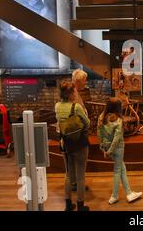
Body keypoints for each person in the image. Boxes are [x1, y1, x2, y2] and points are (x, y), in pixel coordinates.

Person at [98, 98, 143, 205]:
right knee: (118, 170)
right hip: (117, 148)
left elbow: (99, 134)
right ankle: (114, 196)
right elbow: (117, 138)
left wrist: (104, 149)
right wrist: (109, 151)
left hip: (108, 147)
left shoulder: (101, 117)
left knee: (122, 168)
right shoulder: (118, 120)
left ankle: (129, 193)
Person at [55, 80, 90, 211]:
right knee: (81, 176)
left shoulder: (57, 106)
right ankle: (81, 205)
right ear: (70, 94)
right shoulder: (76, 107)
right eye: (74, 91)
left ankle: (68, 204)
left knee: (68, 174)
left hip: (66, 143)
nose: (76, 92)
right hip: (80, 143)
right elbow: (87, 123)